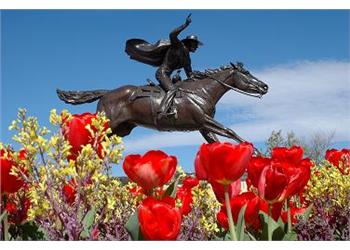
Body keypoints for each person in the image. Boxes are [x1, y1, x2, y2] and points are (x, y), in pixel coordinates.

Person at [125, 14, 203, 119]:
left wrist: (201, 78)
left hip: (167, 75)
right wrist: (185, 25)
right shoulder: (178, 46)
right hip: (162, 73)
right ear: (190, 43)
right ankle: (163, 111)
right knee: (173, 90)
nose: (197, 47)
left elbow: (190, 74)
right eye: (195, 45)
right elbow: (172, 34)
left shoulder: (187, 58)